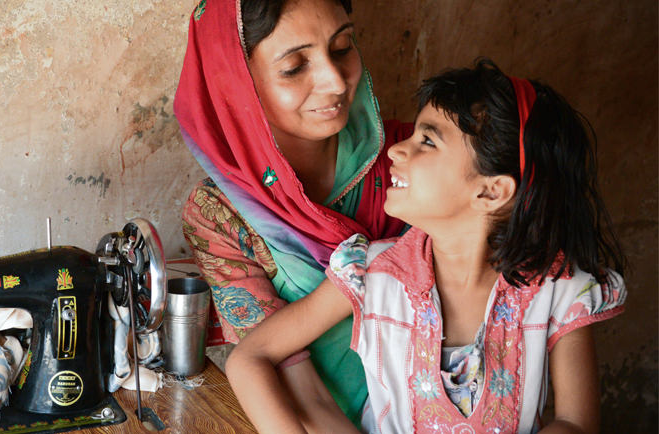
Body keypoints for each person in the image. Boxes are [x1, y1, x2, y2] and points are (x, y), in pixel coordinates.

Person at [225, 59, 627, 433]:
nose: (397, 150)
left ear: (491, 192)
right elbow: (250, 359)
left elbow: (576, 423)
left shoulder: (561, 289)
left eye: (428, 141)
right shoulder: (370, 274)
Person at [174, 0, 409, 427]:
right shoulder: (221, 217)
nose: (335, 82)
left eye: (342, 48)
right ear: (235, 84)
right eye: (294, 67)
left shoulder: (412, 160)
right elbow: (303, 393)